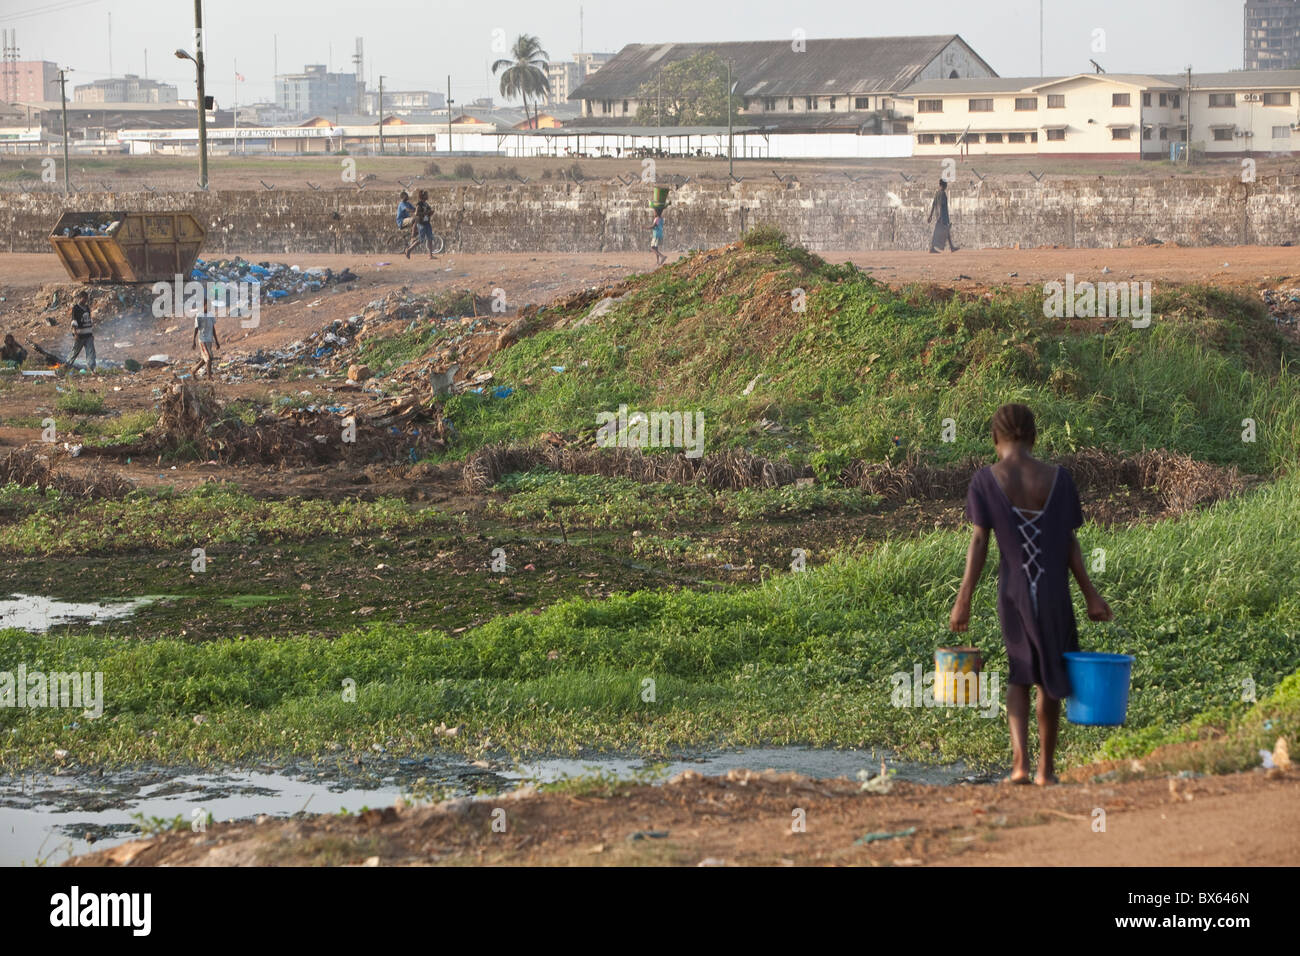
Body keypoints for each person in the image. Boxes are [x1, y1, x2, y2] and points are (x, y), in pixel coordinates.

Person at [949, 403, 1112, 786]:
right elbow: (1069, 542)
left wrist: (964, 598)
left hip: (1014, 593)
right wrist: (1091, 594)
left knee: (1020, 674)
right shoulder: (1060, 478)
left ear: (995, 439)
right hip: (1055, 592)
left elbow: (979, 540)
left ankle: (1020, 765)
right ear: (1034, 437)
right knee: (1048, 676)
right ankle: (1045, 772)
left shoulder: (986, 481)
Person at [191, 290, 220, 379]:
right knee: (208, 358)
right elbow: (196, 328)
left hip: (209, 340)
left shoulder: (211, 315)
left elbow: (213, 328)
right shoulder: (199, 315)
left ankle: (194, 370)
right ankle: (209, 377)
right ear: (204, 305)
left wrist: (216, 341)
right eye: (208, 305)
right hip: (202, 339)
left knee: (208, 358)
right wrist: (194, 341)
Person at [66, 289, 96, 372]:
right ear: (80, 298)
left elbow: (89, 321)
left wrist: (91, 333)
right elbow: (74, 321)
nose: (86, 300)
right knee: (74, 352)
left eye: (87, 298)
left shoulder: (87, 308)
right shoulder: (76, 308)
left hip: (88, 335)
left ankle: (92, 369)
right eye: (84, 298)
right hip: (79, 335)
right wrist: (75, 333)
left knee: (91, 352)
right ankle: (66, 366)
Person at [927, 179, 958, 253]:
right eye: (946, 185)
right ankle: (933, 248)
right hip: (943, 217)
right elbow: (940, 205)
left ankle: (951, 247)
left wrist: (930, 216)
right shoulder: (942, 193)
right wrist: (941, 217)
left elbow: (933, 205)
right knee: (941, 232)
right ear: (944, 185)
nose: (946, 186)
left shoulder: (937, 193)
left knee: (945, 231)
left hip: (938, 216)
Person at [404, 189, 437, 259]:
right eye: (426, 195)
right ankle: (409, 250)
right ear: (423, 196)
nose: (427, 196)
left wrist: (430, 213)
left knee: (430, 238)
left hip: (427, 223)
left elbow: (428, 213)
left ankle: (430, 255)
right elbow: (416, 213)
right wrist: (426, 213)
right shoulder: (419, 204)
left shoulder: (426, 204)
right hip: (422, 224)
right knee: (421, 240)